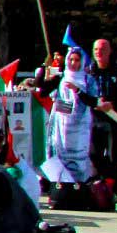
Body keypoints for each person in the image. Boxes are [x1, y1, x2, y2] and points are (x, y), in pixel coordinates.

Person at [40, 46, 96, 186]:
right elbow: (43, 91)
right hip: (61, 126)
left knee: (78, 158)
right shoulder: (61, 77)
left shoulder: (88, 79)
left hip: (79, 127)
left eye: (76, 60)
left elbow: (93, 101)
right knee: (59, 155)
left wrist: (77, 90)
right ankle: (60, 184)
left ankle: (79, 184)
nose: (73, 63)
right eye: (70, 59)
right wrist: (47, 75)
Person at [85, 38, 117, 185]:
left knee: (114, 156)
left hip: (114, 120)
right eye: (96, 49)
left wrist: (113, 104)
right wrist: (93, 103)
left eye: (103, 49)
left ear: (110, 51)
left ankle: (113, 186)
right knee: (94, 154)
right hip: (94, 119)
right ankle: (99, 183)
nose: (99, 52)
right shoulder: (88, 72)